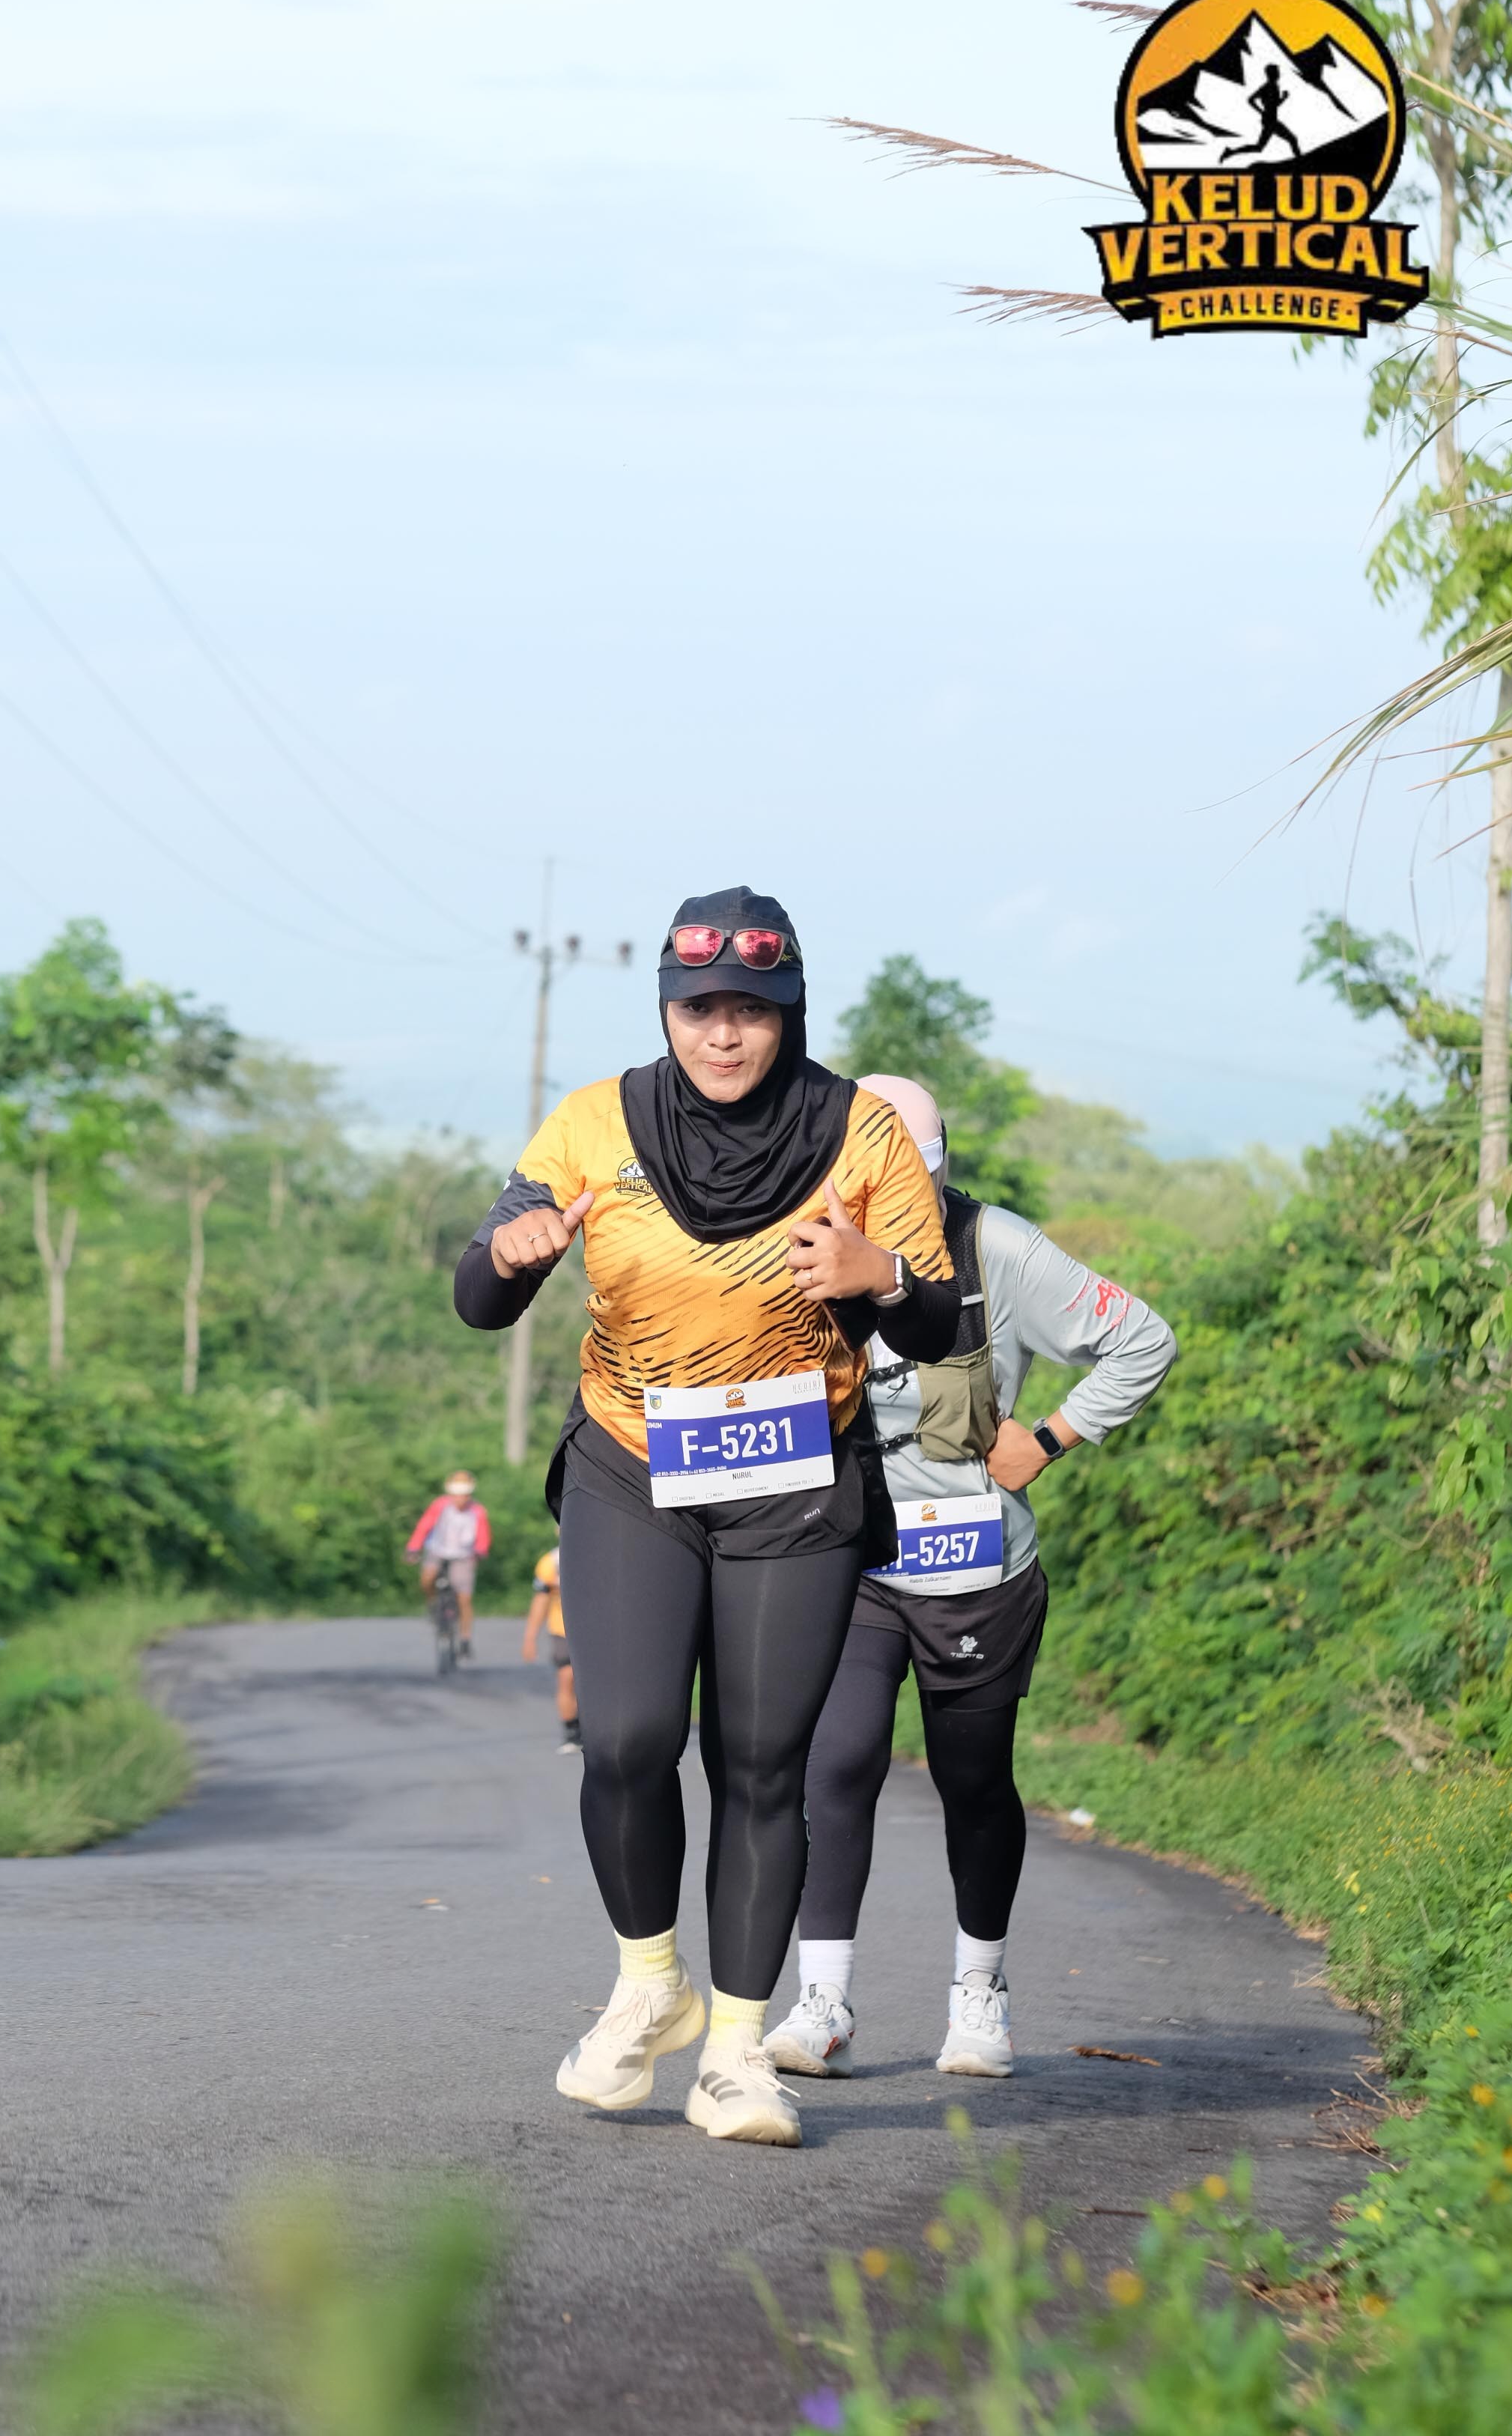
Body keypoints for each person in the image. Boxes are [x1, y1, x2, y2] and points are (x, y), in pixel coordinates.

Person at [454, 888, 960, 2147]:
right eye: (697, 1010)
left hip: (795, 1480)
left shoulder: (860, 1135)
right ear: (666, 1012)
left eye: (749, 1011)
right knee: (626, 1739)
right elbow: (479, 1294)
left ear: (790, 1013)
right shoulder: (594, 1122)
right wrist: (508, 1256)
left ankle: (737, 2052)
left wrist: (880, 1274)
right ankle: (649, 1984)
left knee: (758, 1765)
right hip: (633, 1463)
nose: (722, 1035)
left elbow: (937, 1320)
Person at [765, 1074, 1176, 2085]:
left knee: (975, 1781)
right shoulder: (792, 1241)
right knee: (836, 1762)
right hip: (852, 1553)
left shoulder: (997, 1250)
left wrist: (1050, 1438)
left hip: (976, 1567)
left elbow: (1143, 1340)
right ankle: (822, 2003)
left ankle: (979, 1993)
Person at [404, 1471, 491, 1659]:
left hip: (464, 1556)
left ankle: (465, 1639)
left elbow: (483, 1536)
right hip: (438, 1551)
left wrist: (480, 1551)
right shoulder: (440, 1506)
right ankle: (433, 1604)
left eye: (464, 1494)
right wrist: (413, 1548)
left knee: (464, 1598)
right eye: (457, 1494)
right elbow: (424, 1526)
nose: (460, 1498)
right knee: (427, 1578)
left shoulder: (477, 1511)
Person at [522, 1543, 581, 1753]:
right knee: (567, 1678)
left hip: (598, 1629)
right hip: (562, 1629)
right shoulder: (551, 1562)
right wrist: (530, 1638)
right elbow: (541, 1601)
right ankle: (572, 1731)